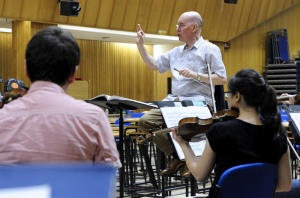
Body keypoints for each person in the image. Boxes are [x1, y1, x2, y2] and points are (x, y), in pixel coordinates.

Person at [0, 26, 121, 168]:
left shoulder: (2, 118)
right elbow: (107, 181)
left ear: (26, 69)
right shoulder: (94, 119)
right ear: (73, 75)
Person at [172, 68, 292, 197]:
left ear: (237, 96)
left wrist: (184, 144)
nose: (226, 98)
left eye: (227, 93)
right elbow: (285, 185)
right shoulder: (277, 133)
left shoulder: (220, 130)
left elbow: (199, 175)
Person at [136, 11, 226, 177]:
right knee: (145, 122)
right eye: (177, 25)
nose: (177, 28)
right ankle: (180, 158)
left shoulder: (210, 49)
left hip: (198, 103)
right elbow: (154, 65)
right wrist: (141, 45)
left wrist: (196, 75)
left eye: (181, 25)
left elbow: (221, 79)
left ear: (194, 27)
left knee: (186, 128)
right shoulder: (175, 52)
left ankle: (190, 161)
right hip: (175, 102)